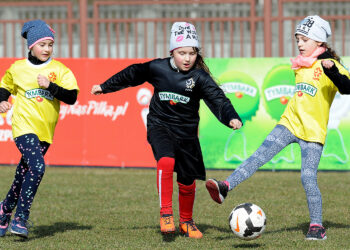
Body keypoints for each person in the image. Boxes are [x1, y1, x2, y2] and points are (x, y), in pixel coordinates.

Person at [91, 22, 242, 239]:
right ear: (172, 51)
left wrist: (231, 116)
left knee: (187, 179)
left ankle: (187, 222)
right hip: (159, 126)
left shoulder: (199, 77)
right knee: (166, 160)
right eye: (182, 53)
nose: (187, 58)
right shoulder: (158, 68)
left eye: (192, 53)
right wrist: (105, 86)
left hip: (187, 134)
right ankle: (166, 214)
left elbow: (217, 99)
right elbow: (132, 73)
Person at [206, 15, 350, 241]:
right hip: (288, 123)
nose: (300, 44)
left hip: (312, 133)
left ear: (319, 41)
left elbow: (347, 87)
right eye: (297, 40)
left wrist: (332, 70)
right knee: (259, 156)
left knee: (308, 177)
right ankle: (225, 186)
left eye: (304, 39)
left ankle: (316, 225)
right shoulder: (301, 64)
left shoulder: (330, 64)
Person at [0, 19, 79, 238]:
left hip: (45, 133)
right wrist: (2, 101)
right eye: (42, 44)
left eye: (50, 45)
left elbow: (72, 96)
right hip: (23, 128)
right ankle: (21, 218)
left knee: (23, 173)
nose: (47, 49)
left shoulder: (59, 69)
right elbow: (4, 88)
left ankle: (4, 209)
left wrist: (51, 86)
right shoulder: (17, 68)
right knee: (37, 167)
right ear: (31, 46)